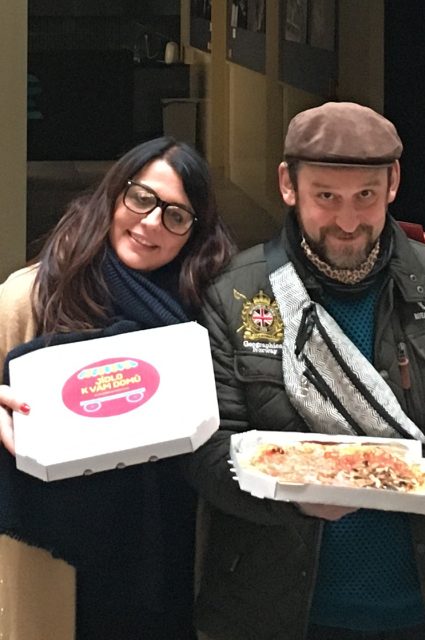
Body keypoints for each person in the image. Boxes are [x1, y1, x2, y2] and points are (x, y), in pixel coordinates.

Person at [187, 101, 425, 640]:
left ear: (393, 184)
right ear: (288, 185)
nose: (346, 222)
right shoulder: (235, 295)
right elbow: (205, 455)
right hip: (280, 605)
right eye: (326, 197)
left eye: (365, 196)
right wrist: (292, 493)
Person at [0, 136, 235, 640]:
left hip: (173, 547)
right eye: (141, 198)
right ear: (114, 194)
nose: (151, 222)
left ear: (194, 233)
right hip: (64, 559)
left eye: (176, 215)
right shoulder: (32, 296)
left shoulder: (209, 311)